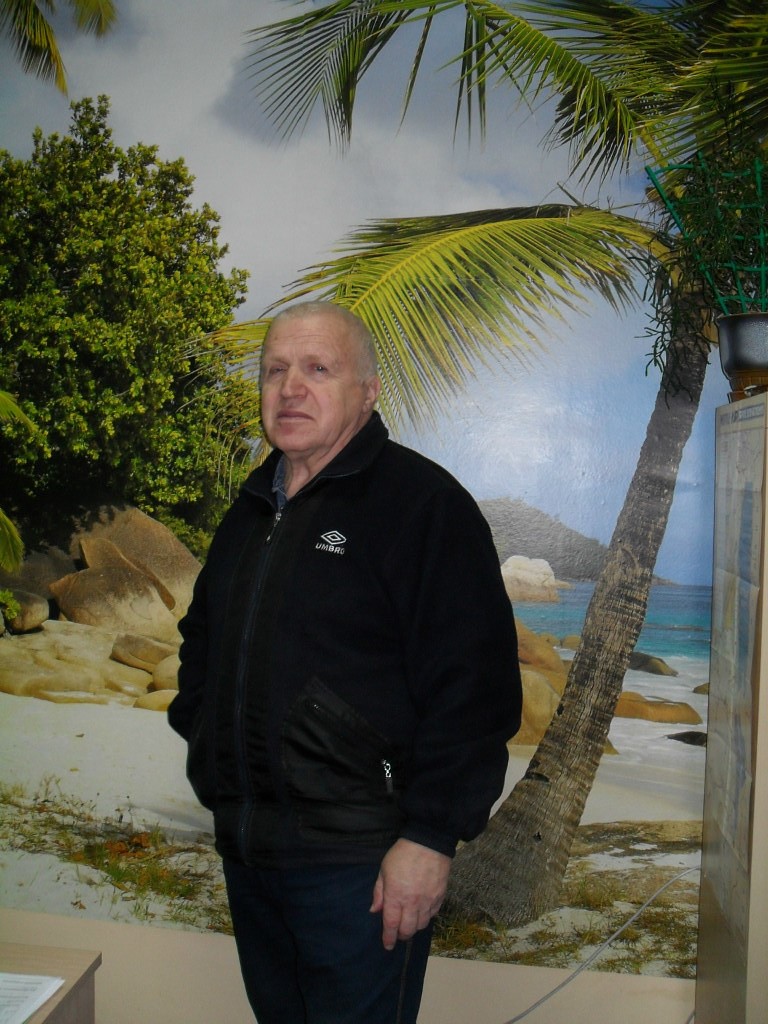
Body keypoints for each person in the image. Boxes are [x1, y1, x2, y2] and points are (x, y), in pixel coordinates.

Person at [168, 301, 522, 1024]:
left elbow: (475, 691)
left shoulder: (423, 506)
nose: (290, 388)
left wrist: (429, 837)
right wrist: (207, 743)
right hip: (251, 852)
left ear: (368, 390)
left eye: (318, 369)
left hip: (363, 867)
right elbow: (202, 642)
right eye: (275, 370)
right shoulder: (249, 510)